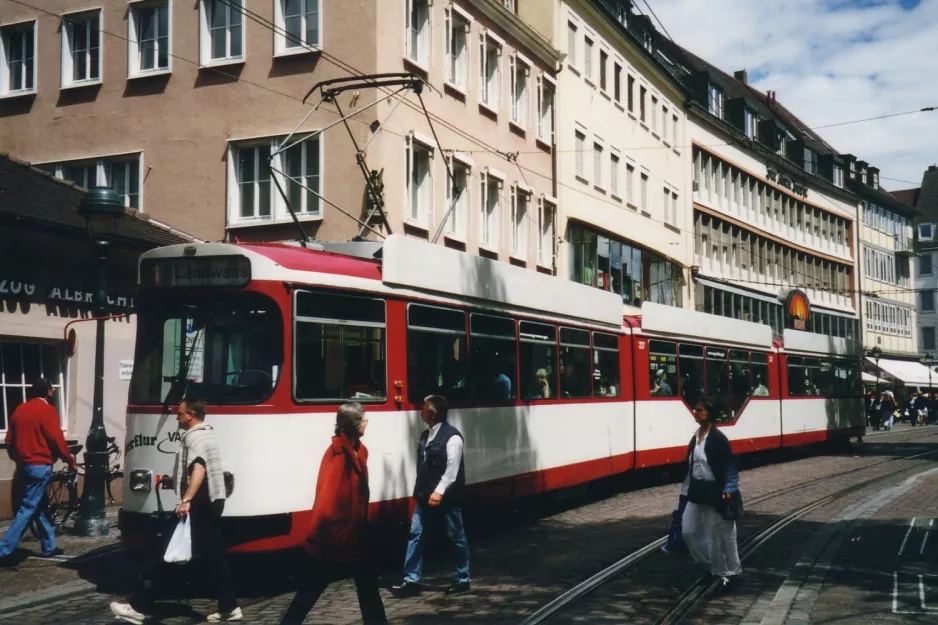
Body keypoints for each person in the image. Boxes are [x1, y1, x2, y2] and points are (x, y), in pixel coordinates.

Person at [111, 398, 241, 624]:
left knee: (167, 551)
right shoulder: (208, 434)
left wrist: (186, 499)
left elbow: (199, 469)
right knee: (214, 556)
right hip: (212, 500)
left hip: (199, 502)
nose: (176, 417)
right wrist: (176, 481)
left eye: (179, 413)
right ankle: (229, 606)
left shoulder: (194, 437)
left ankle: (138, 606)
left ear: (191, 415)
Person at [280, 403, 387, 625]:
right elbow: (326, 502)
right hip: (336, 538)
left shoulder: (355, 450)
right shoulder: (338, 457)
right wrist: (326, 536)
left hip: (354, 535)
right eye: (364, 419)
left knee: (366, 585)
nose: (367, 422)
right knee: (311, 589)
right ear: (355, 424)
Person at [391, 395, 470, 597]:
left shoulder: (453, 438)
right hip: (424, 494)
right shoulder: (426, 435)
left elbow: (452, 471)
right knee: (415, 533)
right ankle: (411, 580)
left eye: (424, 408)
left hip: (447, 497)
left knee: (455, 536)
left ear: (432, 414)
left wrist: (439, 491)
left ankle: (463, 578)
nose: (420, 411)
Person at [0, 379, 76, 565]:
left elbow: (9, 441)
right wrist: (69, 459)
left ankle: (49, 547)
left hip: (24, 465)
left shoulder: (20, 409)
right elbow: (56, 438)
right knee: (27, 508)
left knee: (39, 506)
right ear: (48, 392)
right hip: (40, 464)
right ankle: (4, 550)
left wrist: (18, 459)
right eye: (52, 390)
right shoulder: (47, 410)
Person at [680, 399, 742, 589]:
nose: (695, 412)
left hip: (714, 493)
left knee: (716, 535)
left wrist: (729, 490)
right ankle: (709, 565)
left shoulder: (718, 439)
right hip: (696, 491)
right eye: (695, 410)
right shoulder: (695, 437)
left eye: (700, 410)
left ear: (710, 414)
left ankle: (723, 573)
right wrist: (683, 493)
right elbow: (691, 467)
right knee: (688, 531)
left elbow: (729, 466)